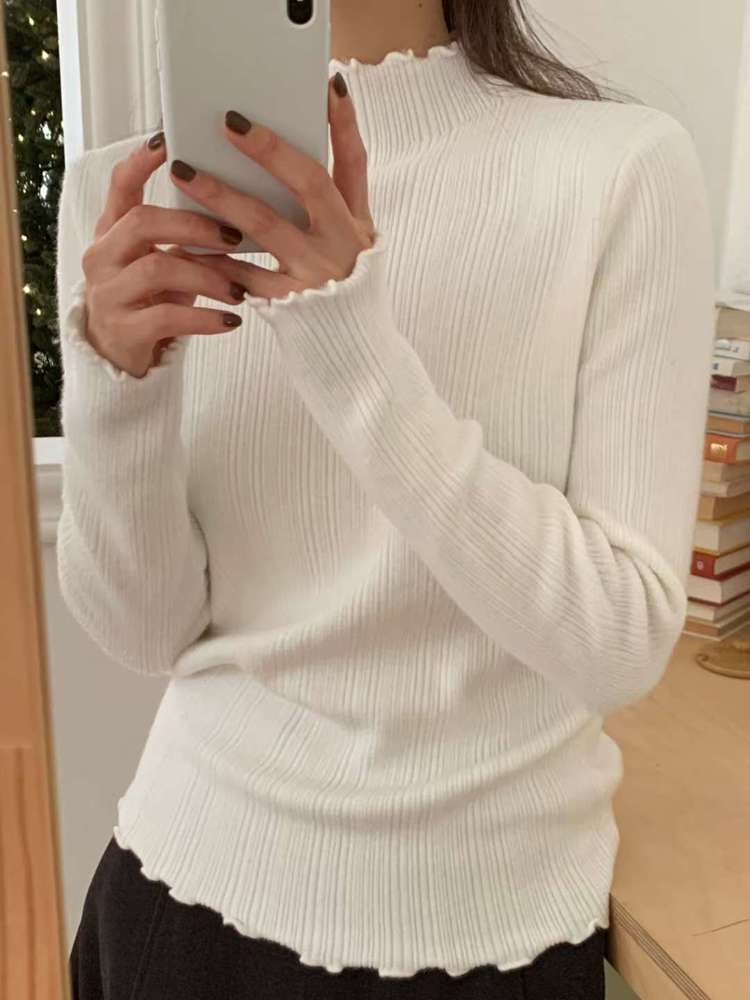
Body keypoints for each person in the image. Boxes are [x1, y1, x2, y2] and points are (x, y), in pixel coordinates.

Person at [58, 0, 715, 997]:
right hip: (177, 901)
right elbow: (146, 630)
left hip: (488, 933)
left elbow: (616, 642)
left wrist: (351, 347)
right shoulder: (133, 192)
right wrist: (117, 387)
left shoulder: (620, 169)